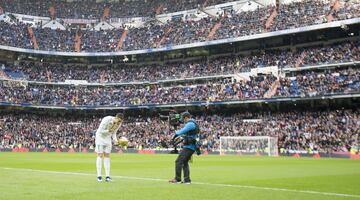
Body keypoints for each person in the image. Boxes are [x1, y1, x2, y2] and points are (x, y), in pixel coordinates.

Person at [169, 111, 200, 184]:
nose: (183, 120)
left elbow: (181, 131)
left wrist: (174, 136)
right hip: (191, 146)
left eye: (183, 118)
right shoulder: (193, 123)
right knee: (184, 162)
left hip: (189, 147)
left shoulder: (190, 124)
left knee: (178, 161)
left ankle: (177, 179)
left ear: (186, 117)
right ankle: (187, 180)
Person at [95, 113, 123, 182]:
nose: (119, 123)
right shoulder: (106, 119)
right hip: (100, 137)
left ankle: (107, 176)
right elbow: (100, 131)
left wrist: (116, 141)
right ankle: (99, 176)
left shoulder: (119, 124)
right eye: (118, 121)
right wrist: (109, 131)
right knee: (100, 155)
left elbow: (114, 133)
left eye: (120, 122)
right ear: (116, 118)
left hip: (107, 138)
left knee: (107, 156)